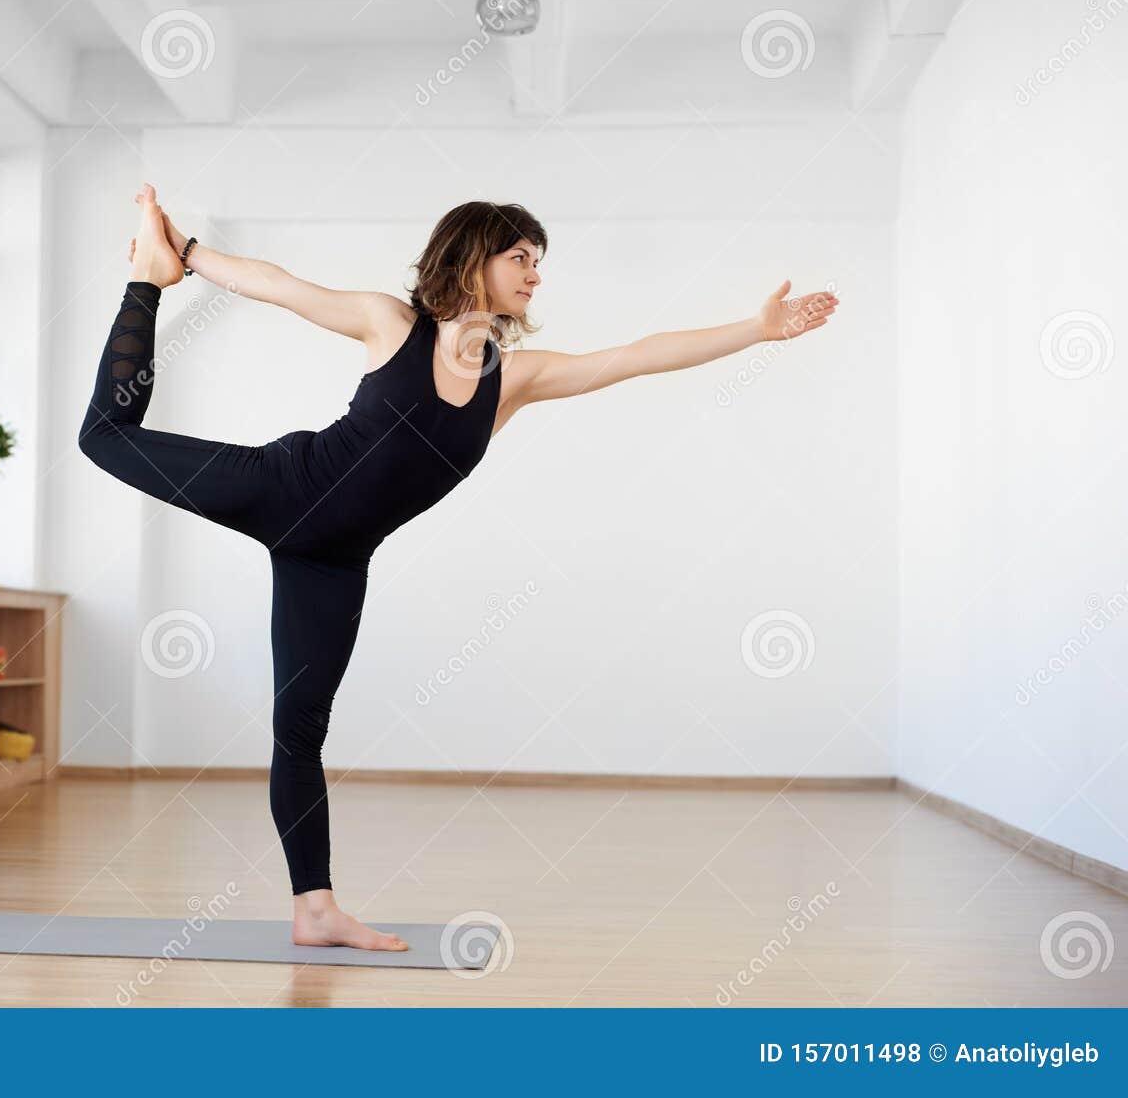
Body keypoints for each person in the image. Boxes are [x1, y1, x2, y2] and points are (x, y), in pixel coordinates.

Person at [80, 182, 840, 952]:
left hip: (336, 561)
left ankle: (314, 909)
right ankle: (147, 277)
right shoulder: (392, 324)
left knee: (299, 729)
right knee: (105, 438)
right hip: (282, 488)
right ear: (476, 256)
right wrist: (189, 256)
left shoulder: (510, 382)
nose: (535, 275)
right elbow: (282, 287)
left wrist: (754, 329)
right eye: (521, 256)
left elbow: (633, 358)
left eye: (538, 262)